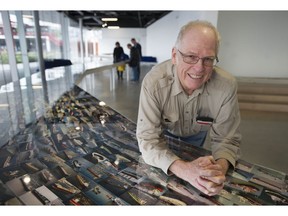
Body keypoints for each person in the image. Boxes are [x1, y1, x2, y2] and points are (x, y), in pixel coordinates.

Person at [136, 20, 241, 196]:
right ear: (174, 55)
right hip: (164, 135)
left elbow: (227, 140)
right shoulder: (153, 82)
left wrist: (216, 171)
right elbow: (148, 139)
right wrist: (184, 170)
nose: (199, 68)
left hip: (197, 138)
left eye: (208, 59)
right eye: (191, 56)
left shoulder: (226, 86)